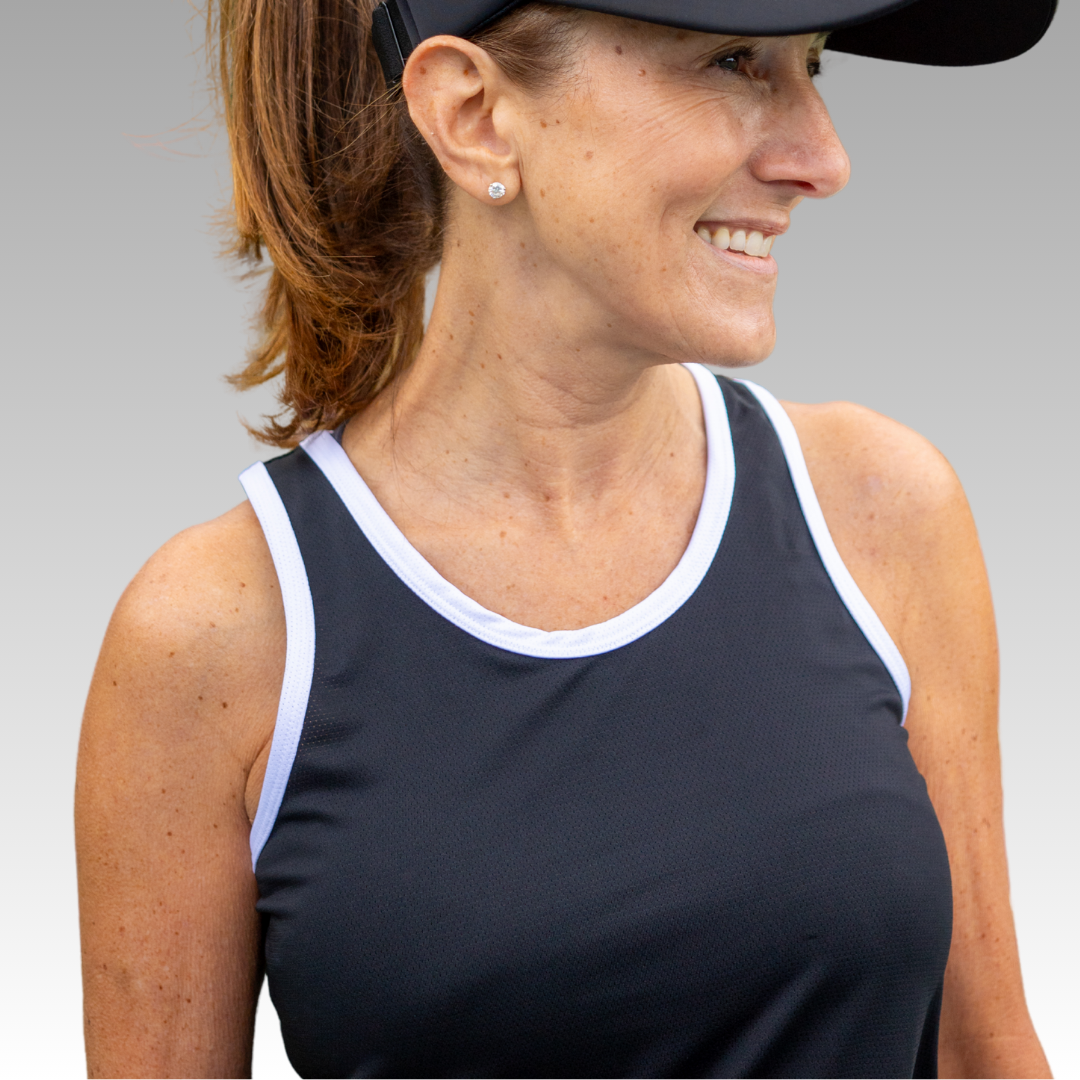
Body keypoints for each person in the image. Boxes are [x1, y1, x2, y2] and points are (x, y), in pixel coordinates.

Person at [75, 0, 1057, 1076]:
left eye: (814, 66)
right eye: (734, 61)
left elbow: (987, 1053)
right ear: (475, 115)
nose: (822, 156)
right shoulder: (219, 635)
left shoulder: (879, 514)